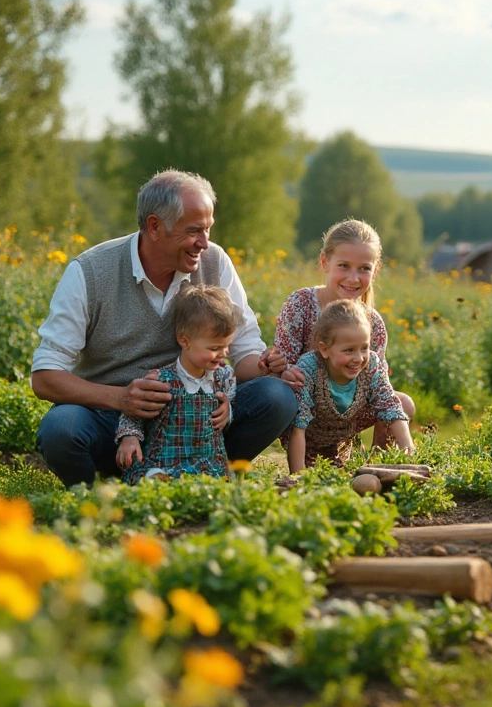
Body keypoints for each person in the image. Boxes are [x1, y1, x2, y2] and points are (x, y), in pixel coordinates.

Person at [31, 169, 296, 486]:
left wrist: (263, 366)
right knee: (61, 428)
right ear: (154, 226)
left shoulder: (214, 262)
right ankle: (94, 497)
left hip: (197, 420)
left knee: (275, 396)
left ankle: (207, 475)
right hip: (112, 421)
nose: (204, 243)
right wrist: (122, 399)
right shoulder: (89, 271)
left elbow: (243, 353)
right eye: (193, 230)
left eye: (208, 229)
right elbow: (45, 377)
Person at [275, 219, 415, 448]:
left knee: (403, 403)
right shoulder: (300, 304)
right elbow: (284, 365)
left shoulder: (374, 324)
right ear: (324, 262)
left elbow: (378, 388)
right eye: (344, 266)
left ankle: (380, 468)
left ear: (375, 270)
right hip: (303, 411)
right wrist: (284, 370)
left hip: (346, 413)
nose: (353, 278)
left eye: (364, 269)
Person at [115, 286, 237, 483]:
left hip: (207, 461)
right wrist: (130, 438)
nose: (223, 354)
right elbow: (133, 413)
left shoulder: (222, 377)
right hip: (164, 459)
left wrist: (227, 410)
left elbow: (230, 398)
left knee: (213, 484)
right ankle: (158, 480)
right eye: (215, 348)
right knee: (152, 478)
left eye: (226, 346)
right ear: (184, 341)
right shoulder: (161, 379)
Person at [287, 299, 413, 473]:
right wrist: (297, 477)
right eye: (349, 350)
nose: (359, 358)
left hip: (340, 439)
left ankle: (378, 467)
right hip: (307, 442)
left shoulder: (371, 365)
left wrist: (408, 451)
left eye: (364, 348)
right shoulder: (309, 368)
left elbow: (390, 405)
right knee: (314, 476)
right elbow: (298, 426)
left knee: (340, 474)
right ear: (324, 350)